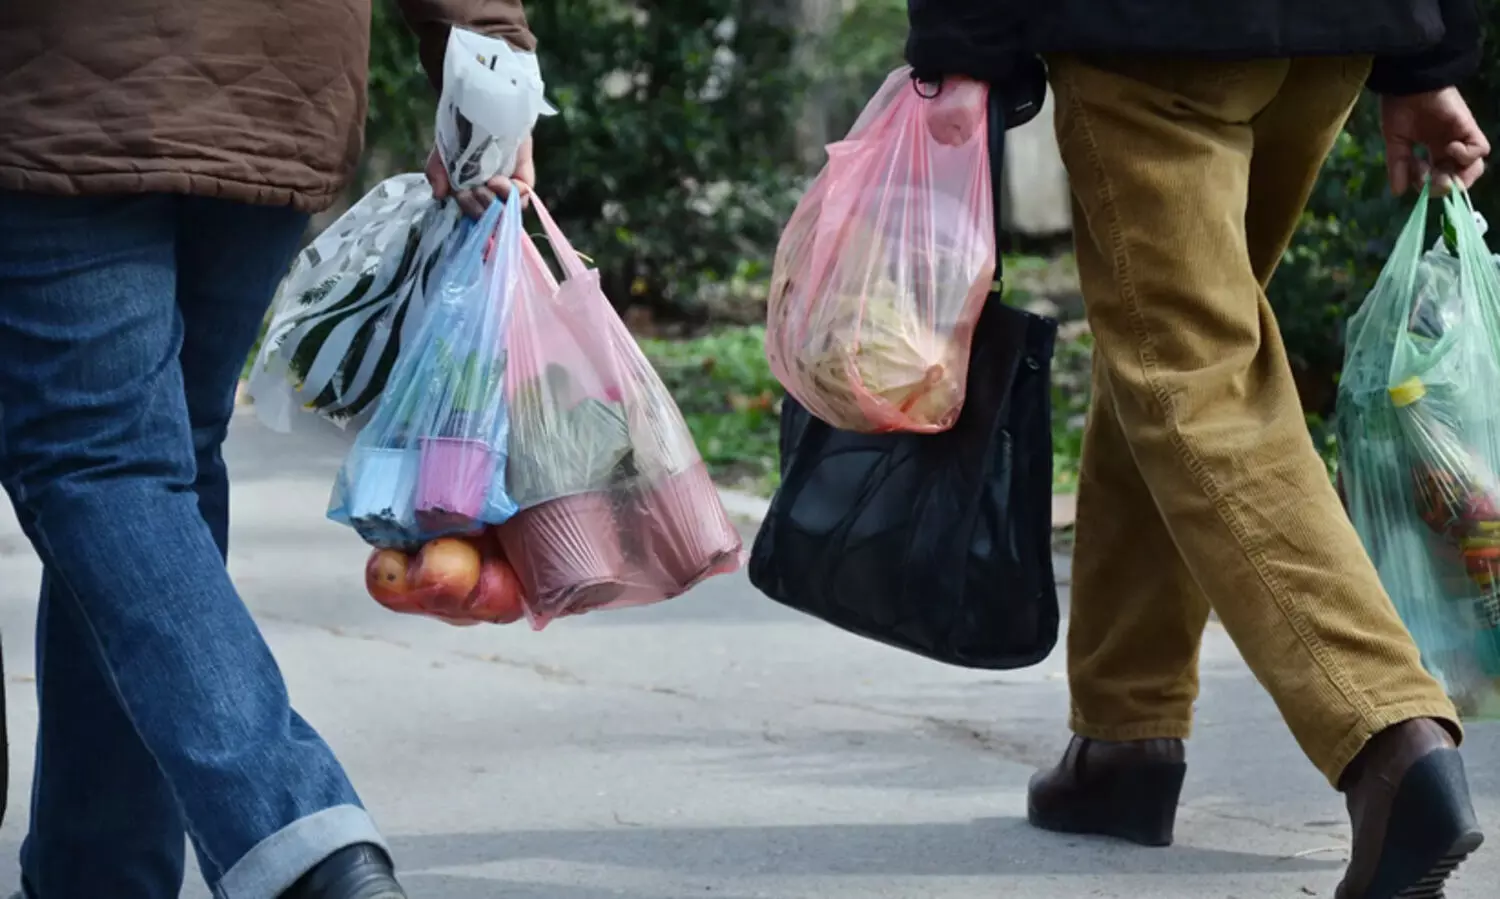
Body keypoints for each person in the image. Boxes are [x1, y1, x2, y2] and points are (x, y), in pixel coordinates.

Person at [906, 2, 1491, 897]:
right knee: (1163, 342)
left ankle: (1389, 733)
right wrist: (1428, 54)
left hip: (1153, 37)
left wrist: (961, 43)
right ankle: (1124, 735)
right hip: (1334, 32)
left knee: (1192, 376)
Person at [0, 2, 537, 897]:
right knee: (154, 467)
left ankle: (301, 840)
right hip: (275, 80)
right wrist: (490, 56)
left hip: (54, 83)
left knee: (106, 467)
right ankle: (97, 873)